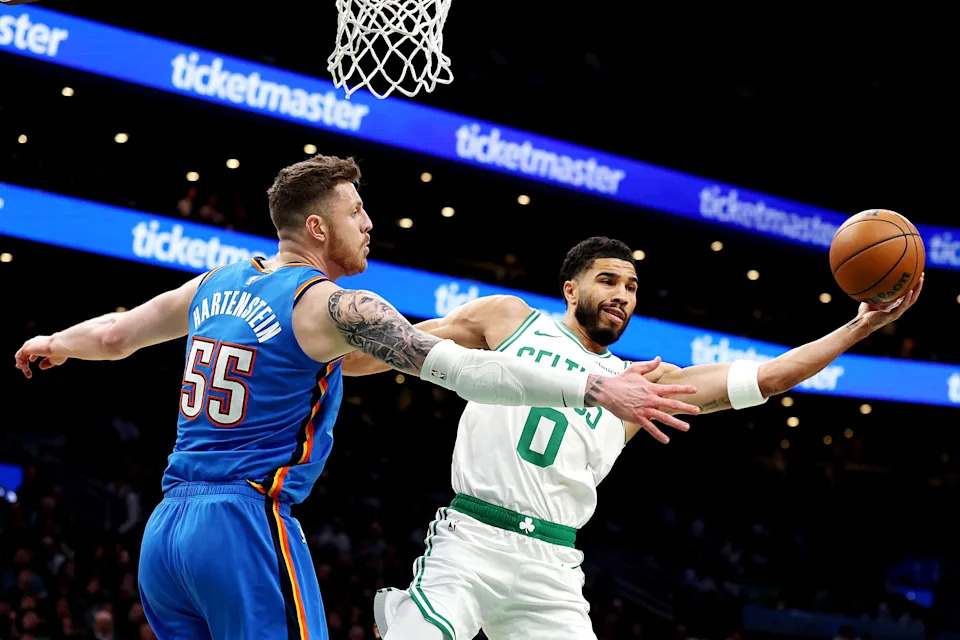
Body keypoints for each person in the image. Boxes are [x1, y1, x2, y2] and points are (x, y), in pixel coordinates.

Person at [12, 157, 703, 640]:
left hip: (165, 533)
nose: (369, 221)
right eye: (356, 209)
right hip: (245, 520)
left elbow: (114, 335)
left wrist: (54, 339)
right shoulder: (338, 305)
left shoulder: (213, 284)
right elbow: (463, 371)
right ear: (317, 227)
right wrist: (589, 381)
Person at [341, 235, 924, 640]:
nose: (622, 293)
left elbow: (769, 377)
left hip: (552, 563)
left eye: (633, 285)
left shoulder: (641, 384)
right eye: (608, 280)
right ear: (571, 289)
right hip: (473, 538)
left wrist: (860, 325)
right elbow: (401, 349)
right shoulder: (509, 319)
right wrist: (323, 357)